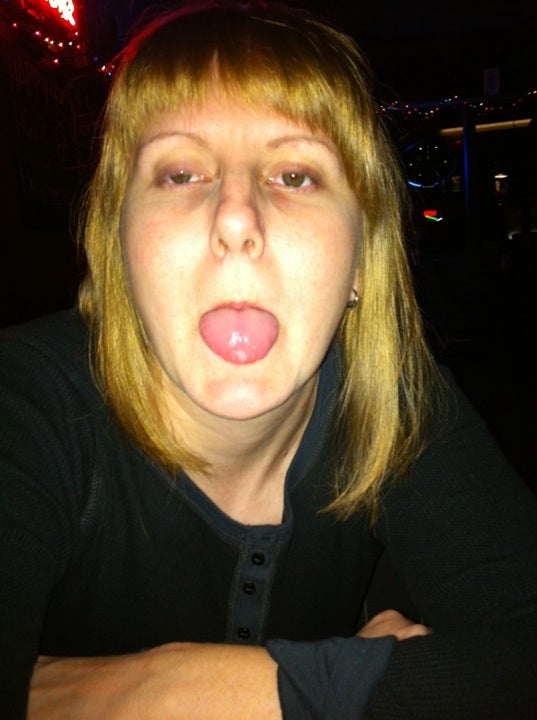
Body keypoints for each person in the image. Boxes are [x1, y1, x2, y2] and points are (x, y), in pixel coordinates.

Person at [1, 2, 536, 718]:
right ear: (119, 244)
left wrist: (158, 689)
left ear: (360, 260)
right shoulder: (25, 405)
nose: (235, 217)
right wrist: (367, 685)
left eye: (294, 175)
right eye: (180, 173)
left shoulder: (395, 406)